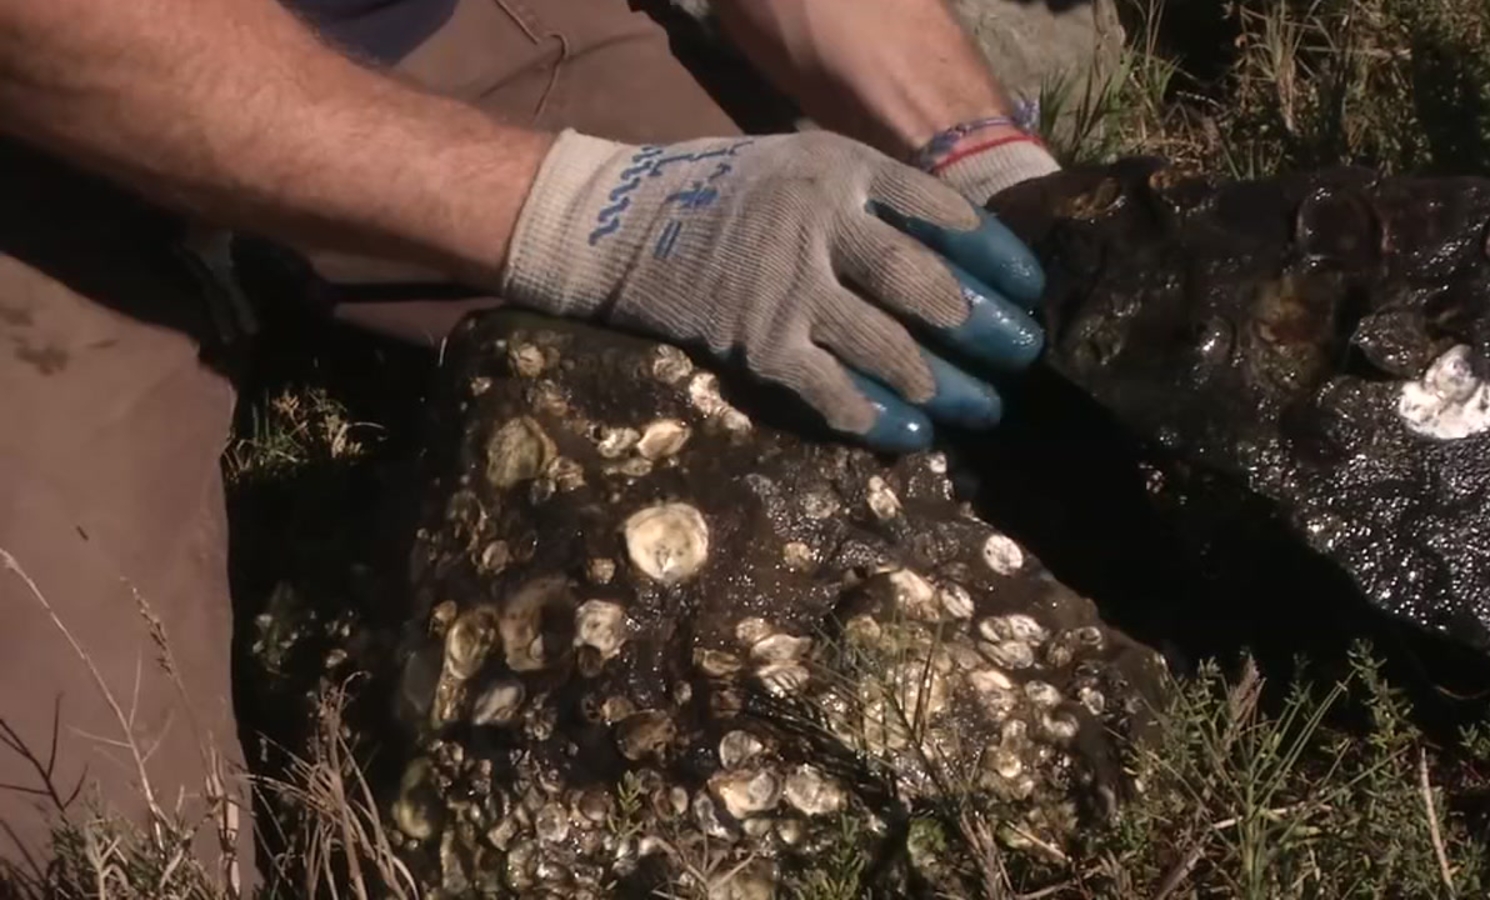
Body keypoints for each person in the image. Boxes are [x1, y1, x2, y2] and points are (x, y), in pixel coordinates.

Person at [0, 0, 1074, 890]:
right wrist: (581, 216)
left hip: (403, 27)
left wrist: (981, 162)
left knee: (923, 388)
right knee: (94, 839)